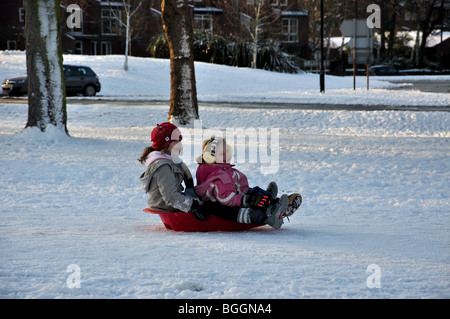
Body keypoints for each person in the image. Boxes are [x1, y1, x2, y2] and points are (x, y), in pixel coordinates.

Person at [194, 136, 302, 229]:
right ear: (210, 157)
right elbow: (227, 198)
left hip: (235, 194)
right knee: (249, 206)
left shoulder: (217, 167)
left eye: (227, 151)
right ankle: (269, 214)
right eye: (222, 153)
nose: (227, 155)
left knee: (254, 192)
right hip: (225, 204)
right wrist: (247, 200)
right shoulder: (218, 178)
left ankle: (275, 202)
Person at [138, 122, 206, 220]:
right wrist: (193, 206)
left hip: (169, 203)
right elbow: (170, 197)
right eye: (176, 141)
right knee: (211, 207)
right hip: (166, 206)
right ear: (165, 144)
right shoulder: (163, 167)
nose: (180, 144)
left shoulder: (170, 161)